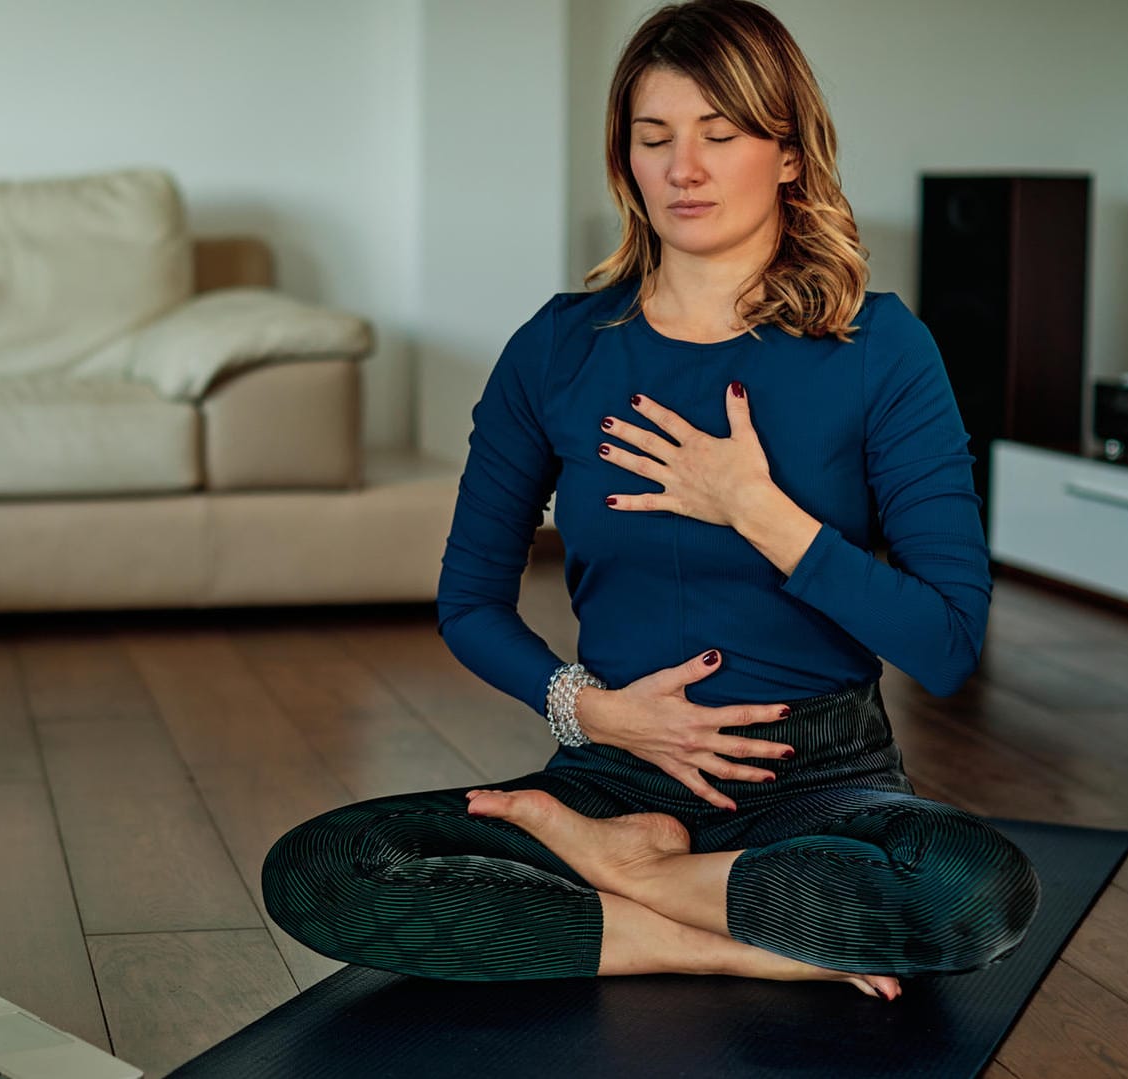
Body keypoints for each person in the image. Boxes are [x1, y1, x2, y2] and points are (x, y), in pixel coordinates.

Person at [261, 0, 1039, 1001]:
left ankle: (638, 891)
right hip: (615, 775)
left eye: (721, 136)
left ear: (789, 154)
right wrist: (588, 710)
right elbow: (469, 601)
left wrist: (755, 507)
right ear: (622, 158)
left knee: (976, 890)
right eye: (654, 137)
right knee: (328, 866)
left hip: (819, 778)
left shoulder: (881, 348)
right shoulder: (557, 346)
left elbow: (944, 641)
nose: (685, 169)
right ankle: (705, 931)